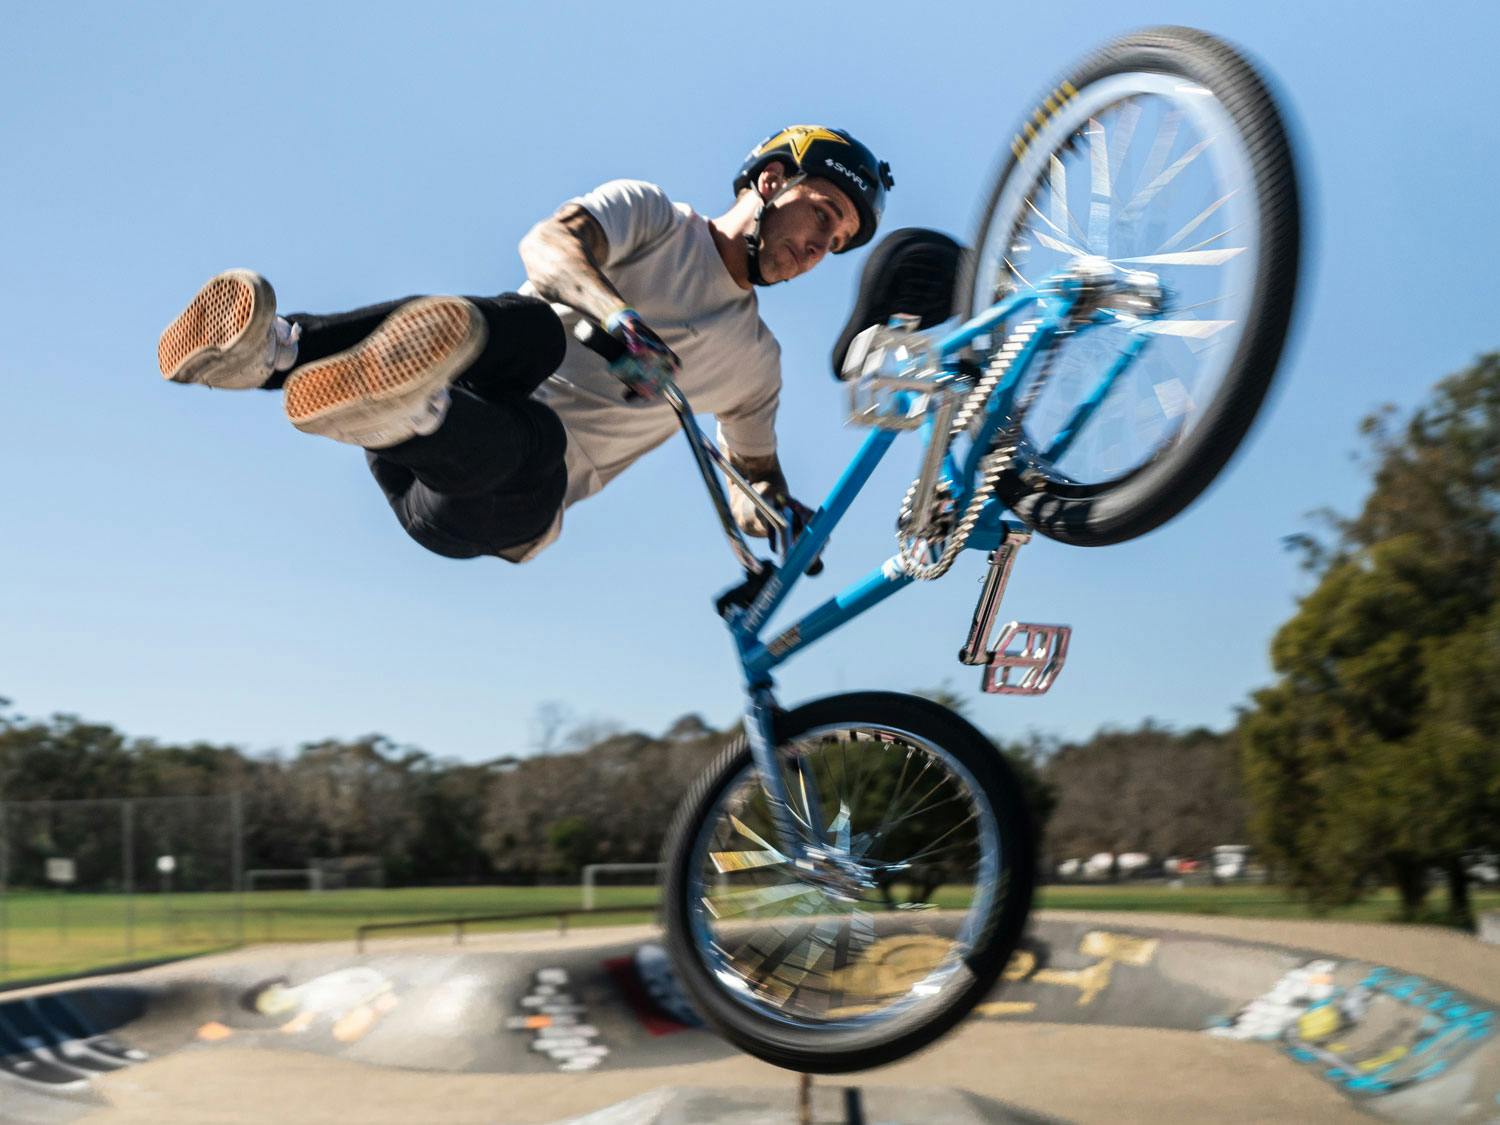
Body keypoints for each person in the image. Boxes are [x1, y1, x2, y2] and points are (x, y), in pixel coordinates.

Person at [157, 125, 893, 563]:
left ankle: (411, 411)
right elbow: (547, 246)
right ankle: (274, 354)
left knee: (537, 435)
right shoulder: (652, 216)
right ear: (770, 181)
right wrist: (616, 320)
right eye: (821, 214)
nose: (818, 248)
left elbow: (752, 483)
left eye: (837, 243)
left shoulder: (756, 364)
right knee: (531, 325)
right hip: (457, 405)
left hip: (494, 505)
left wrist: (782, 515)